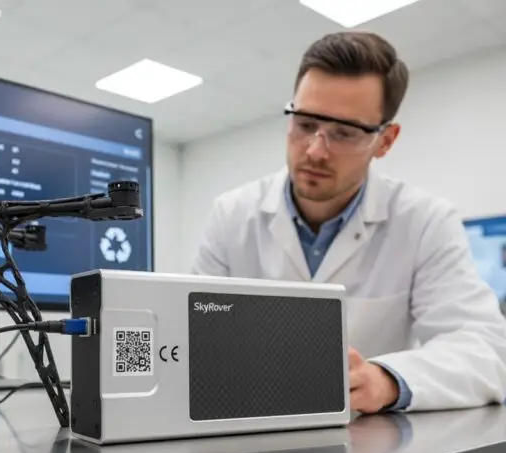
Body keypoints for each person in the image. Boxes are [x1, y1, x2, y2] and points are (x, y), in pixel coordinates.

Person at [191, 31, 506, 414]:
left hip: (368, 436)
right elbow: (195, 340)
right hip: (247, 425)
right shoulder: (231, 216)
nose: (315, 151)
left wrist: (385, 379)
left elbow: (485, 350)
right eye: (305, 123)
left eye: (344, 133)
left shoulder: (424, 222)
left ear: (385, 141)